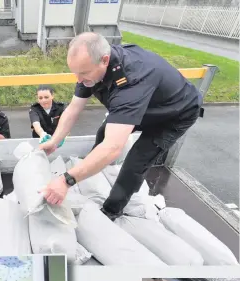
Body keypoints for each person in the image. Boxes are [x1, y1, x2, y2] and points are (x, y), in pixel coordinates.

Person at [39, 33, 203, 220]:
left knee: (135, 163)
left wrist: (66, 181)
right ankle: (93, 169)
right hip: (147, 103)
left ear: (105, 61)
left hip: (174, 114)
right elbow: (74, 109)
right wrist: (55, 141)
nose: (79, 79)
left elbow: (113, 147)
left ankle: (111, 210)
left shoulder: (132, 81)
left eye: (83, 73)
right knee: (103, 133)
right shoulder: (93, 67)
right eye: (75, 72)